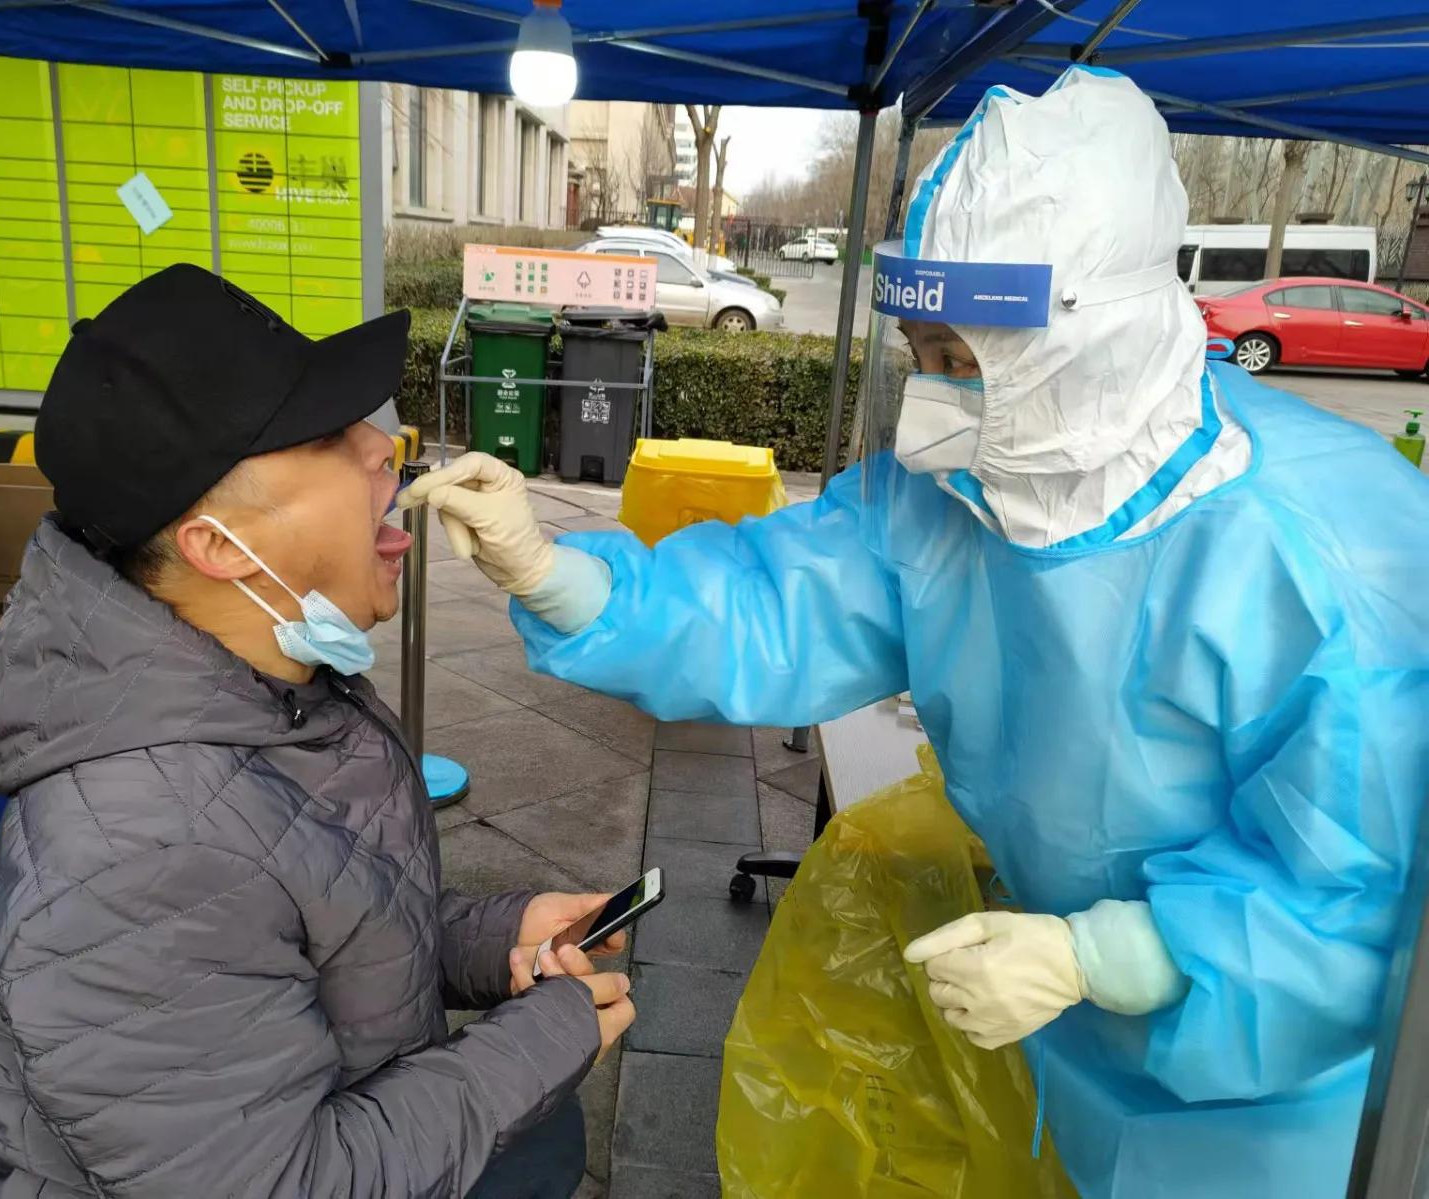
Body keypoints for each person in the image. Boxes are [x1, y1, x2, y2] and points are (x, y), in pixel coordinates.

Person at [402, 68, 1429, 1199]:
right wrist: (553, 574)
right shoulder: (950, 499)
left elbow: (1366, 889)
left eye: (971, 361)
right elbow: (770, 601)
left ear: (1093, 337)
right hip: (1051, 1024)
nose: (939, 399)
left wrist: (1122, 954)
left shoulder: (1329, 550)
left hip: (1266, 1096)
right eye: (924, 356)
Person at [0, 264, 634, 1199]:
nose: (382, 450)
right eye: (330, 437)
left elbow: (326, 927)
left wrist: (497, 933)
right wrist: (548, 1034)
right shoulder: (137, 858)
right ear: (219, 546)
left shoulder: (274, 690)